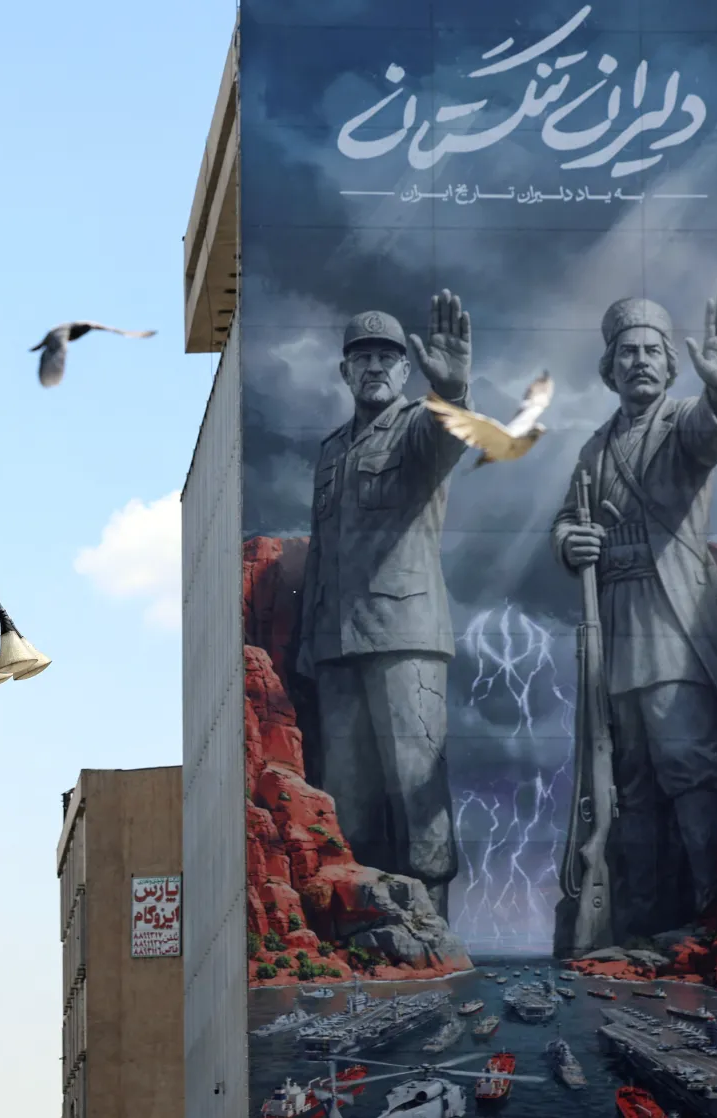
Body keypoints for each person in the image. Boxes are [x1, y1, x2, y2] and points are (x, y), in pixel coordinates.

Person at [550, 293, 717, 940]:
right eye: (627, 353)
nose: (639, 361)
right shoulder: (594, 450)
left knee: (690, 768)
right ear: (610, 368)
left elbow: (715, 433)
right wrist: (570, 542)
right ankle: (641, 922)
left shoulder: (683, 422)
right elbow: (566, 519)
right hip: (614, 622)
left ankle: (712, 911)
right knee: (629, 783)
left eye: (650, 352)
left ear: (669, 365)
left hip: (671, 621)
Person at [295, 290, 472, 920]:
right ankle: (370, 929)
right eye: (362, 357)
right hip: (337, 646)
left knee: (416, 785)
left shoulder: (418, 427)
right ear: (345, 371)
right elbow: (321, 553)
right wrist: (309, 645)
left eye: (387, 358)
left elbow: (447, 435)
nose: (374, 366)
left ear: (404, 370)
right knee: (349, 799)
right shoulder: (331, 452)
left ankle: (435, 929)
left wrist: (452, 389)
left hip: (405, 636)